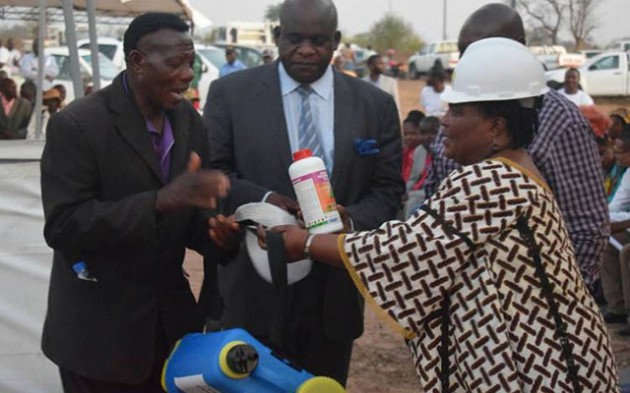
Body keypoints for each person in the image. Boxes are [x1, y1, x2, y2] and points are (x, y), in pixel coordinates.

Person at [270, 37, 619, 393]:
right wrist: (344, 231)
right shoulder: (516, 169)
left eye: (456, 111)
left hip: (546, 372)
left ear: (496, 127)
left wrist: (308, 242)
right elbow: (434, 239)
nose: (444, 121)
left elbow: (405, 251)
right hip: (561, 361)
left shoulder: (490, 179)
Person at [202, 0, 404, 385]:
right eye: (295, 38)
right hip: (256, 285)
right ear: (278, 38)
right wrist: (265, 203)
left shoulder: (374, 104)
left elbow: (388, 188)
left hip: (333, 293)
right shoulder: (232, 93)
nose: (307, 49)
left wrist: (349, 221)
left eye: (319, 40)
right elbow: (215, 173)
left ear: (337, 41)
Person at [40, 13, 240, 392]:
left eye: (191, 62)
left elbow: (190, 215)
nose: (187, 75)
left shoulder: (190, 123)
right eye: (175, 63)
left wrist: (217, 236)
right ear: (137, 62)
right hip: (99, 342)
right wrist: (159, 202)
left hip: (171, 335)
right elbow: (65, 226)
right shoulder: (78, 125)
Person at [424, 3, 608, 290]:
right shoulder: (458, 114)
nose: (471, 62)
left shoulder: (561, 121)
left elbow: (586, 229)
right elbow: (433, 195)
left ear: (518, 48)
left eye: (482, 51)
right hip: (457, 301)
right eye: (465, 54)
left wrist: (552, 305)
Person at [602, 126, 630, 333]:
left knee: (626, 253)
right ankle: (617, 307)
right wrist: (607, 222)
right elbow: (615, 206)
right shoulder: (627, 173)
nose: (617, 156)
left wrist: (621, 223)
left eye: (622, 152)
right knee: (605, 241)